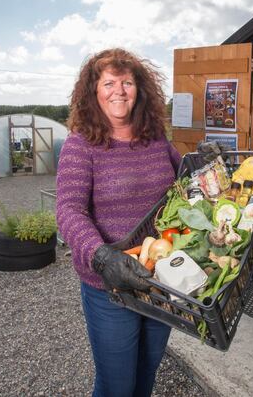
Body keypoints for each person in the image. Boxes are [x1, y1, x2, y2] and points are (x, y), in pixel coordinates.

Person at [56, 48, 180, 397]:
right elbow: (68, 210)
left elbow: (184, 181)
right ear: (93, 92)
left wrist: (206, 161)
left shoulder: (155, 140)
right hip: (109, 286)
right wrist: (102, 257)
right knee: (117, 385)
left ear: (139, 89)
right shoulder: (81, 146)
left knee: (147, 370)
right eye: (109, 83)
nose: (119, 91)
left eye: (126, 82)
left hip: (159, 276)